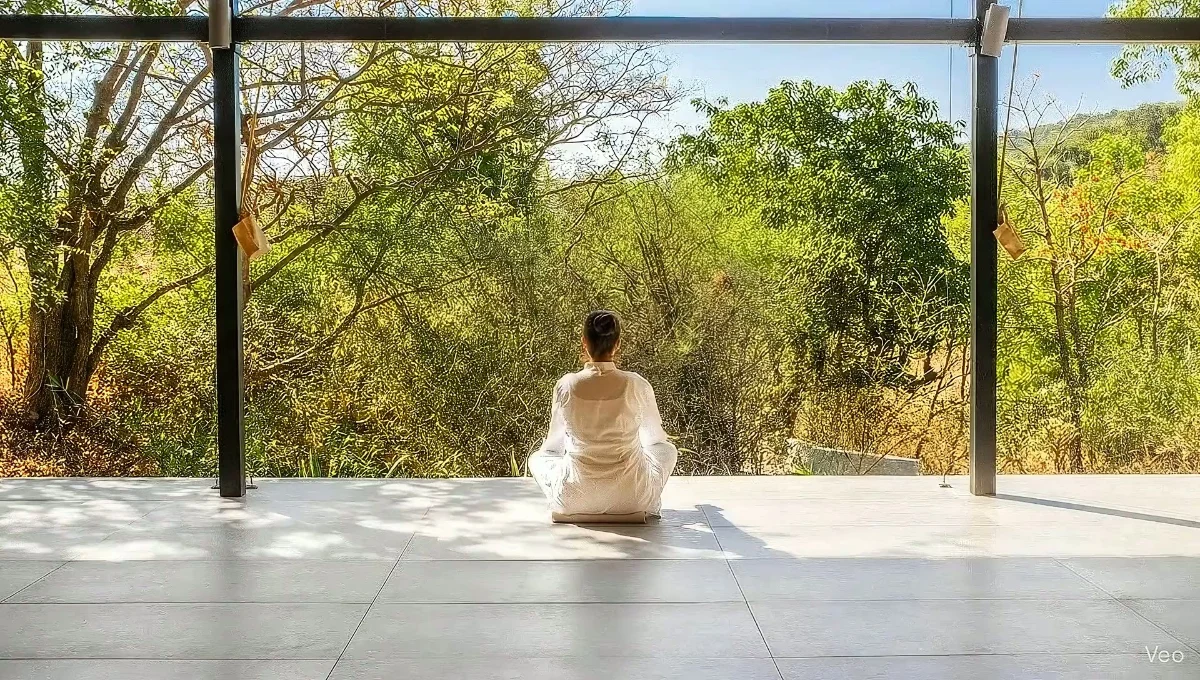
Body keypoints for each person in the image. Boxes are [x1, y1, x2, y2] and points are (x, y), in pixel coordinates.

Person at [528, 310, 679, 518]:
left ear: (584, 342)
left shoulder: (566, 385)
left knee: (538, 459)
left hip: (574, 497)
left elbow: (554, 444)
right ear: (617, 344)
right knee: (667, 450)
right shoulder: (636, 384)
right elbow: (654, 439)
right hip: (632, 497)